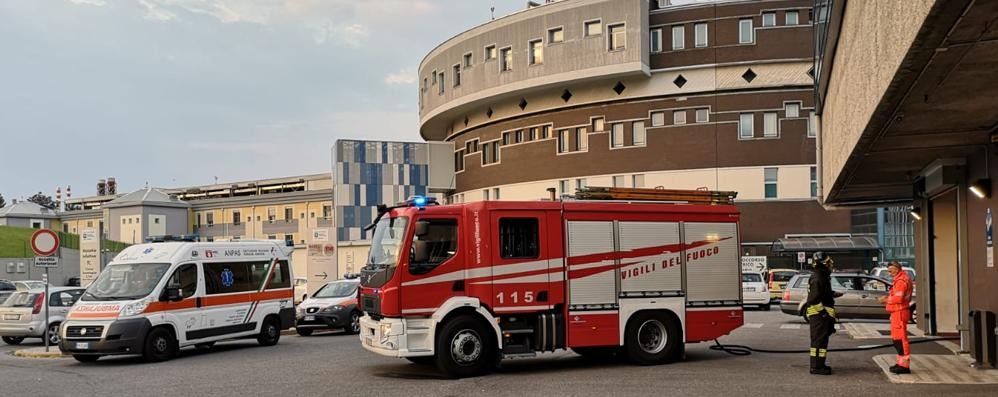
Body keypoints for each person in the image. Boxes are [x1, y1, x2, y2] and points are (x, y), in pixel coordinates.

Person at [804, 251, 837, 375]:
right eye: (828, 262)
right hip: (819, 316)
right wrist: (824, 314)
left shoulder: (820, 276)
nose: (830, 265)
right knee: (818, 342)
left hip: (821, 316)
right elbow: (813, 300)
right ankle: (816, 367)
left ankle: (820, 364)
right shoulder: (819, 277)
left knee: (821, 342)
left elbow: (820, 293)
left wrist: (831, 294)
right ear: (823, 264)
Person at [878, 261, 913, 374]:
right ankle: (901, 363)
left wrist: (884, 300)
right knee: (898, 339)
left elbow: (898, 299)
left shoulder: (901, 281)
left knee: (900, 340)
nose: (889, 273)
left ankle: (904, 365)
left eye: (890, 270)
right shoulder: (902, 279)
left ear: (897, 269)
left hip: (899, 312)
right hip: (898, 312)